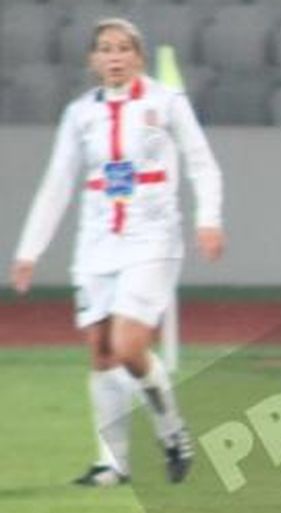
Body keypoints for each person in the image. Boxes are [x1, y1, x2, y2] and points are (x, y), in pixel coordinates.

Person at [9, 18, 224, 486]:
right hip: (95, 244)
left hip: (152, 239)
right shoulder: (80, 113)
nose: (114, 56)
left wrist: (209, 218)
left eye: (123, 48)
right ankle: (113, 462)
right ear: (93, 59)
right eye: (105, 49)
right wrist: (30, 250)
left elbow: (202, 163)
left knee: (129, 346)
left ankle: (173, 433)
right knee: (102, 355)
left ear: (138, 57)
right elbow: (58, 184)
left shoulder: (165, 103)